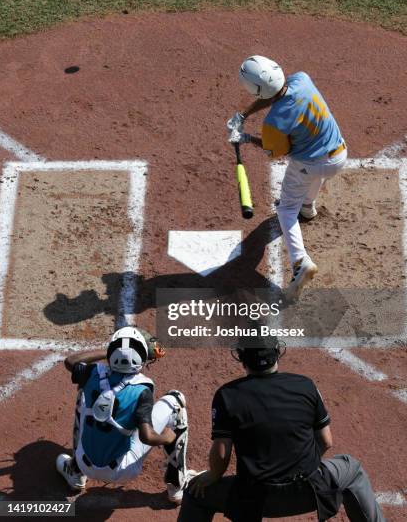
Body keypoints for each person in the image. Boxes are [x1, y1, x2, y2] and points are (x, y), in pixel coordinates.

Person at [178, 333, 385, 522]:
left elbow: (222, 455)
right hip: (309, 492)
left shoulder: (227, 395)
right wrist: (303, 467)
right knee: (352, 468)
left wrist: (212, 476)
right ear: (278, 351)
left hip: (254, 501)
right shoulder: (305, 385)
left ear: (241, 357)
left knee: (195, 493)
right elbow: (326, 441)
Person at [227, 55, 347, 300]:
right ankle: (308, 207)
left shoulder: (274, 122)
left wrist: (247, 138)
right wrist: (244, 115)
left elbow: (278, 152)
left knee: (285, 209)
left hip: (312, 165)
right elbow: (274, 92)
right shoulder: (302, 79)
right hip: (340, 155)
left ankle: (300, 261)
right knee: (313, 172)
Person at [56, 326, 195, 505]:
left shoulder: (92, 374)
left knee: (84, 395)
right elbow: (147, 436)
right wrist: (166, 438)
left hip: (86, 463)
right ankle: (177, 486)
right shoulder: (142, 390)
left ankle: (76, 472)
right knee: (176, 401)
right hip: (122, 470)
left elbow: (71, 361)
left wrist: (110, 351)